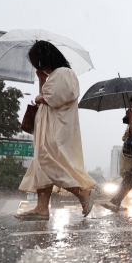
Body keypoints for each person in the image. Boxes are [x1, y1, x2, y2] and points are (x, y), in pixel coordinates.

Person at [16, 41, 96, 220]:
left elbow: (54, 97)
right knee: (41, 167)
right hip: (48, 128)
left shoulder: (64, 73)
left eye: (37, 62)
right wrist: (42, 81)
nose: (37, 66)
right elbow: (47, 95)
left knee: (49, 163)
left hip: (57, 130)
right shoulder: (54, 76)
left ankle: (82, 192)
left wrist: (39, 97)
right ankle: (42, 208)